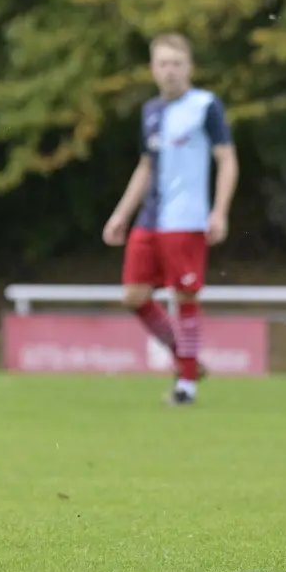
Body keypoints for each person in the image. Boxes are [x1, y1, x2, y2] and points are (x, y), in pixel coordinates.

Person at [102, 33, 236, 406]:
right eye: (163, 63)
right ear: (153, 68)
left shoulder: (205, 106)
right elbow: (146, 165)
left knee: (184, 296)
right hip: (150, 218)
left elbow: (227, 159)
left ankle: (186, 384)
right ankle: (186, 358)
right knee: (134, 296)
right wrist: (121, 214)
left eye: (177, 63)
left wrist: (220, 210)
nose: (170, 71)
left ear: (189, 67)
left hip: (186, 219)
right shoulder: (151, 111)